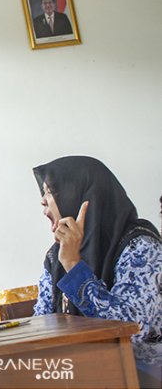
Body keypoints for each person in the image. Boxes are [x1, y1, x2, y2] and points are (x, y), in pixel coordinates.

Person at [31, 156, 162, 386]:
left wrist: (74, 266)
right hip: (90, 373)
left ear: (81, 197)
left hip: (146, 375)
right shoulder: (56, 256)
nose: (42, 202)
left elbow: (133, 331)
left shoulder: (140, 246)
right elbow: (42, 322)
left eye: (50, 192)